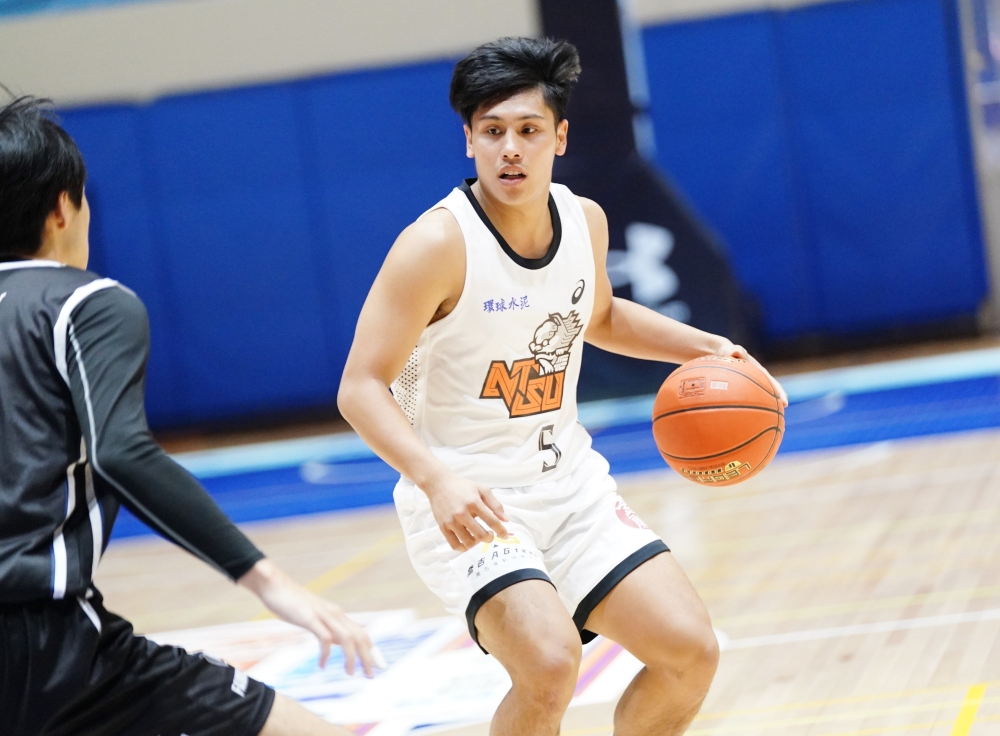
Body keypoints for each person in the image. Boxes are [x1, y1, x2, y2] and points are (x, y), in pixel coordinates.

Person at [338, 37, 788, 736]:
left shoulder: (584, 220)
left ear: (560, 136)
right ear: (469, 141)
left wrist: (708, 348)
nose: (510, 149)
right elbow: (360, 387)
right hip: (469, 500)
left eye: (528, 130)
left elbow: (600, 316)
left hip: (570, 487)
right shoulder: (435, 245)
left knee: (690, 654)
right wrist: (436, 480)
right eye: (492, 132)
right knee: (548, 666)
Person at [0, 96, 374, 736]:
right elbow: (121, 454)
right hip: (46, 644)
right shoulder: (84, 303)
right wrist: (269, 581)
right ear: (63, 207)